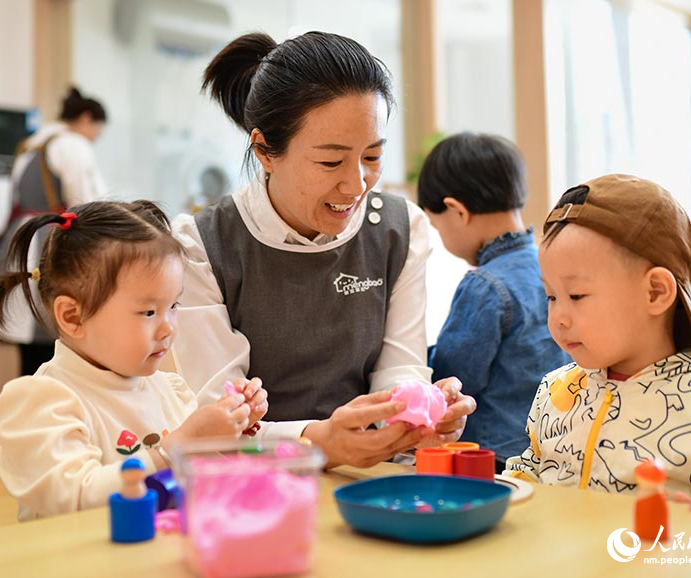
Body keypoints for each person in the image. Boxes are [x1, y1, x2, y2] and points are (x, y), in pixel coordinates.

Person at [171, 31, 475, 469]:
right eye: (331, 162)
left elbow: (399, 370)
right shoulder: (201, 245)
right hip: (254, 483)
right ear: (265, 151)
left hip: (373, 479)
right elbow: (219, 422)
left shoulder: (399, 228)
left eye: (372, 156)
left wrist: (418, 415)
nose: (356, 185)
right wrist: (320, 442)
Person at [503, 174, 691, 517]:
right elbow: (529, 473)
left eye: (576, 295)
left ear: (655, 292)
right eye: (551, 296)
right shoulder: (557, 392)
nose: (558, 317)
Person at [0, 200, 267, 521]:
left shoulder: (166, 388)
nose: (168, 326)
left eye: (173, 305)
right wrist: (179, 444)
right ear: (73, 316)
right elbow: (74, 497)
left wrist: (233, 426)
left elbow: (196, 476)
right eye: (148, 312)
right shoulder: (45, 402)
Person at [417, 132, 570, 471]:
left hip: (494, 457)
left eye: (436, 225)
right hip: (554, 450)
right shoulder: (553, 267)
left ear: (456, 211)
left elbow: (453, 380)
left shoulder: (485, 286)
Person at [0, 86, 110, 376]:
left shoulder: (29, 146)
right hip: (50, 242)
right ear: (85, 119)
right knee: (53, 335)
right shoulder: (72, 145)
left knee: (28, 341)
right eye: (97, 130)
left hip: (19, 240)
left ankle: (24, 412)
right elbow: (87, 204)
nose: (95, 137)